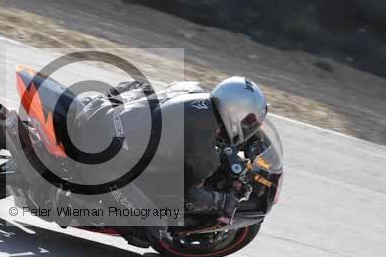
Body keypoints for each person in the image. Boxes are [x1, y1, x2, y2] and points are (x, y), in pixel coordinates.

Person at [68, 76, 268, 227]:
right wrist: (222, 201)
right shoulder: (204, 148)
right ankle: (80, 205)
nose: (249, 127)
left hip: (101, 109)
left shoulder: (192, 89)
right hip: (103, 161)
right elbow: (189, 197)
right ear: (235, 113)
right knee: (155, 223)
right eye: (248, 121)